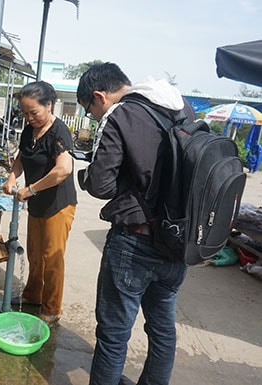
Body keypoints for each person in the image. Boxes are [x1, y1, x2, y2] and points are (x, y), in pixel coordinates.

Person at [75, 62, 196, 385]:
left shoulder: (121, 114)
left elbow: (100, 185)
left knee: (114, 335)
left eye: (89, 110)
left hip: (134, 242)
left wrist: (89, 175)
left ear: (99, 96)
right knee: (162, 331)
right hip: (178, 241)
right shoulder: (183, 107)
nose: (93, 117)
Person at [2, 81, 77, 326]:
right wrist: (12, 177)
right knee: (35, 253)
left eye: (33, 112)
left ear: (49, 105)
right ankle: (33, 295)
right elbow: (21, 157)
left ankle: (52, 308)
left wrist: (31, 189)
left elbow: (64, 169)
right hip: (35, 203)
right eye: (25, 113)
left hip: (58, 204)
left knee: (52, 258)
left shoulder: (58, 132)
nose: (29, 118)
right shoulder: (28, 131)